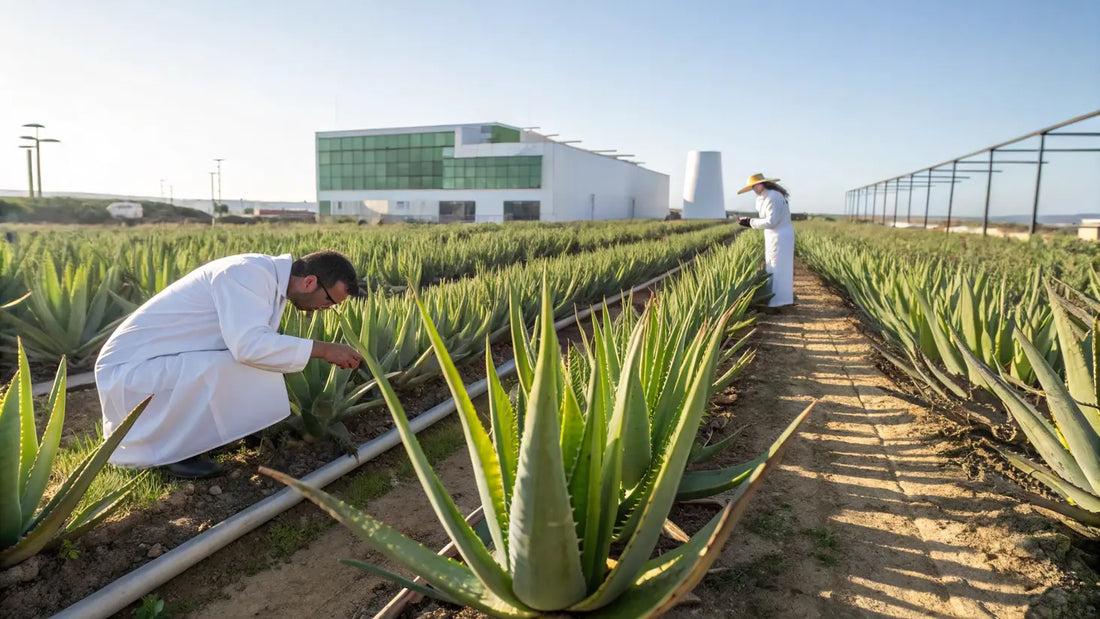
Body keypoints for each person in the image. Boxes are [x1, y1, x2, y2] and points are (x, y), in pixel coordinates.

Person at [94, 250, 365, 478]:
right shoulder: (246, 274)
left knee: (251, 361)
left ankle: (208, 438)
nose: (326, 309)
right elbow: (249, 346)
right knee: (241, 361)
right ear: (309, 282)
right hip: (131, 372)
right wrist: (324, 349)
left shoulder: (267, 279)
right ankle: (170, 453)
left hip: (162, 363)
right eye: (329, 301)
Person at [737, 173, 795, 309]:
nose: (754, 189)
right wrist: (750, 221)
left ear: (763, 184)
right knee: (778, 266)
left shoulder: (772, 197)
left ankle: (776, 301)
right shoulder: (770, 195)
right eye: (752, 187)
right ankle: (781, 299)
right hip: (778, 235)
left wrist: (750, 222)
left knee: (776, 267)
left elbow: (771, 221)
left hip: (779, 235)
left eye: (755, 186)